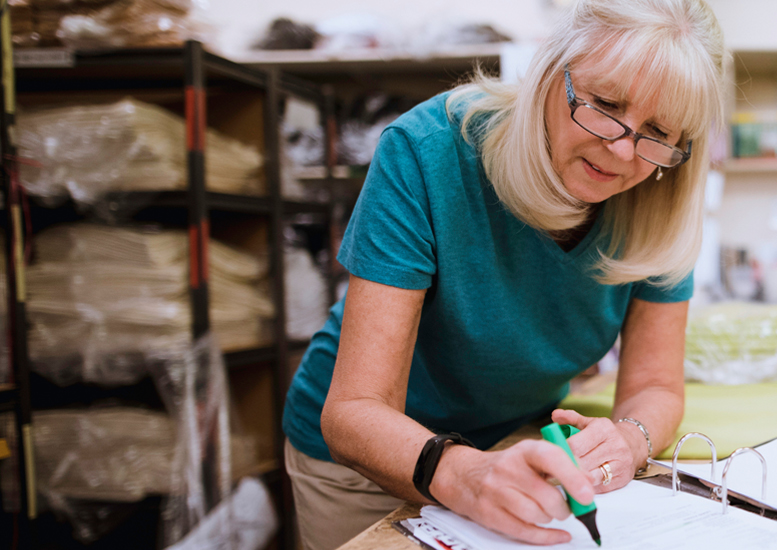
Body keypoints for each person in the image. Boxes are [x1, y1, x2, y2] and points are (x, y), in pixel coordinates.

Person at [279, 1, 725, 548]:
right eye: (605, 104)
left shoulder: (660, 203)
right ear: (548, 72)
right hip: (365, 466)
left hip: (515, 444)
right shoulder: (430, 149)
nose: (621, 148)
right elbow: (353, 412)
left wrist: (630, 440)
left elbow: (655, 386)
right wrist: (466, 473)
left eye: (657, 131)